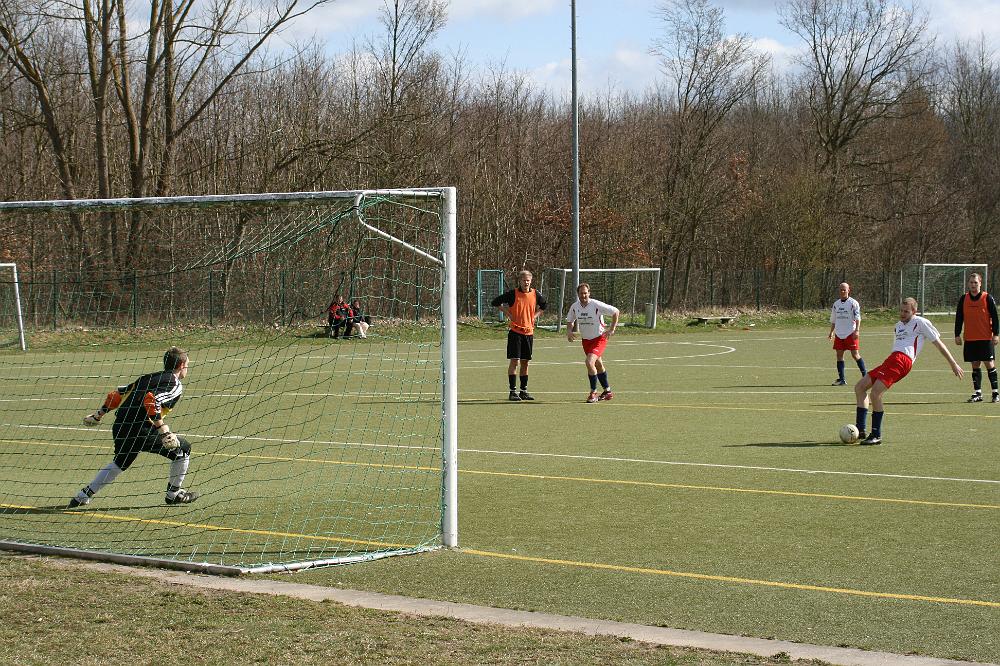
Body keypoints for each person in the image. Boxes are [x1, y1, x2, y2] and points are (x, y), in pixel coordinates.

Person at [69, 347, 199, 507]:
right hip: (140, 429)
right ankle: (174, 494)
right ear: (181, 365)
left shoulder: (147, 377)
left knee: (120, 462)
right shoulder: (175, 384)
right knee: (183, 449)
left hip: (121, 425)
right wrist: (163, 430)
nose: (187, 369)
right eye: (187, 365)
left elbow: (116, 395)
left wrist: (98, 415)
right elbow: (151, 400)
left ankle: (82, 496)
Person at [853, 298, 964, 445]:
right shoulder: (898, 326)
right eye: (901, 310)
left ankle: (876, 434)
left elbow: (939, 344)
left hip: (903, 360)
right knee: (860, 387)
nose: (902, 314)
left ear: (914, 311)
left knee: (875, 393)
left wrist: (953, 363)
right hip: (892, 359)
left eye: (906, 311)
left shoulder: (921, 323)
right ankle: (860, 430)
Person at [491, 269, 547, 401]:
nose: (526, 282)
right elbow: (495, 302)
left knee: (525, 363)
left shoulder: (535, 294)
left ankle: (524, 391)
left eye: (528, 280)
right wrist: (507, 313)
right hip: (515, 333)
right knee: (514, 361)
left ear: (531, 281)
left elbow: (544, 305)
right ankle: (512, 392)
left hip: (528, 333)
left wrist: (535, 316)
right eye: (523, 280)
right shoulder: (513, 294)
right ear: (519, 281)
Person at [566, 283, 620, 403]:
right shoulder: (575, 306)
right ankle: (607, 391)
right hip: (586, 340)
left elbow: (616, 312)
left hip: (599, 338)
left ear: (589, 293)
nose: (583, 295)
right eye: (581, 293)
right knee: (598, 365)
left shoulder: (596, 304)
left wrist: (612, 329)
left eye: (585, 293)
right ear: (578, 294)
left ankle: (593, 392)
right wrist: (569, 331)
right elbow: (570, 320)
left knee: (589, 362)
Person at [953, 272, 1000, 403]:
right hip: (970, 338)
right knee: (975, 365)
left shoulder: (987, 298)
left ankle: (995, 393)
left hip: (985, 338)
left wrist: (996, 334)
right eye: (971, 282)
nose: (973, 285)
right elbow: (959, 318)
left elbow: (995, 318)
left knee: (989, 364)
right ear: (968, 284)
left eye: (976, 282)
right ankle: (977, 393)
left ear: (980, 283)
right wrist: (957, 334)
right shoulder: (964, 298)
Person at [828, 282, 866, 385]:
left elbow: (858, 318)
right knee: (839, 355)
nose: (842, 291)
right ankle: (842, 379)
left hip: (850, 333)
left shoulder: (853, 303)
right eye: (841, 290)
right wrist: (831, 332)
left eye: (844, 289)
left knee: (855, 355)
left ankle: (865, 376)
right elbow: (834, 320)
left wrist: (857, 330)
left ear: (849, 290)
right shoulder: (836, 304)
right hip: (839, 334)